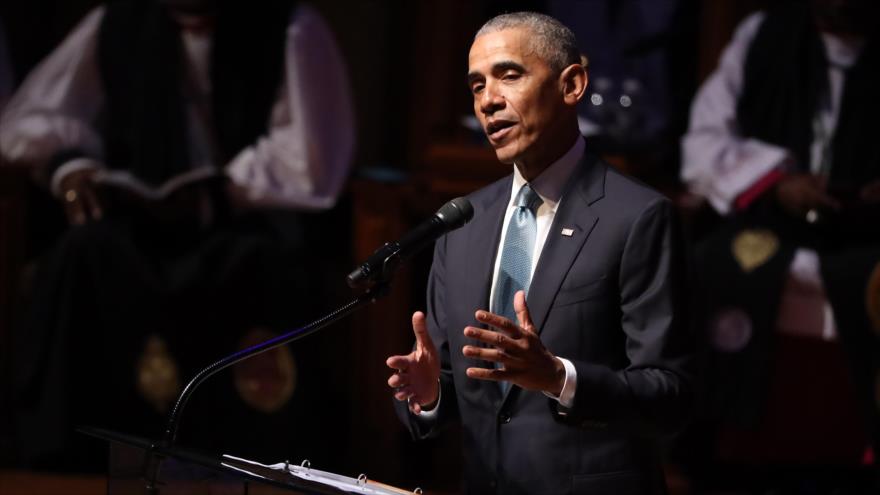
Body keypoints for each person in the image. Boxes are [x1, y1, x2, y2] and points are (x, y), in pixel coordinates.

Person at [0, 0, 354, 470]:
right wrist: (71, 166)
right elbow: (28, 119)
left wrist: (220, 190)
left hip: (242, 221)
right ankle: (67, 456)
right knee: (82, 253)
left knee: (259, 269)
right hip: (142, 224)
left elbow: (311, 156)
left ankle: (241, 460)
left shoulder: (287, 27)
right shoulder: (118, 23)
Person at [385, 12, 692, 495]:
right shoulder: (461, 223)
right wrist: (429, 394)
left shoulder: (639, 217)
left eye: (509, 75)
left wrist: (557, 377)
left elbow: (672, 396)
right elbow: (459, 389)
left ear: (571, 85)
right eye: (476, 85)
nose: (488, 100)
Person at [681, 0, 880, 490]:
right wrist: (776, 184)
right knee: (717, 267)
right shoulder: (763, 35)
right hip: (776, 221)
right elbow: (704, 143)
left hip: (870, 231)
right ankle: (720, 458)